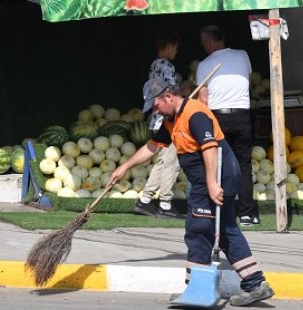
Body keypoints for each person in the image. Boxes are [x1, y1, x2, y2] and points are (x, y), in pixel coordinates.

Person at [110, 78, 274, 306]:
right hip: (210, 177)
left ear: (168, 96)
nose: (155, 111)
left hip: (216, 174)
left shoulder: (195, 114)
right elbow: (152, 147)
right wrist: (124, 167)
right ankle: (255, 284)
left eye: (156, 105)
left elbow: (210, 149)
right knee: (224, 228)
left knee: (198, 229)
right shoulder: (171, 120)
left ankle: (196, 290)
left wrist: (212, 184)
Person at [195, 25, 259, 226]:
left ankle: (220, 212)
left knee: (217, 164)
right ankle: (247, 213)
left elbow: (203, 99)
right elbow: (248, 84)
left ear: (208, 42)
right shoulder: (243, 56)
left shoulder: (204, 64)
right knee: (243, 164)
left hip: (217, 117)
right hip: (241, 114)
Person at [134, 27, 186, 219]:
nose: (176, 52)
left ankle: (145, 200)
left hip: (155, 120)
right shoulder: (167, 66)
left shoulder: (154, 65)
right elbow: (171, 94)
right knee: (171, 161)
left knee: (163, 161)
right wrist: (186, 89)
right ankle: (165, 203)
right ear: (170, 46)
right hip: (167, 120)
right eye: (176, 48)